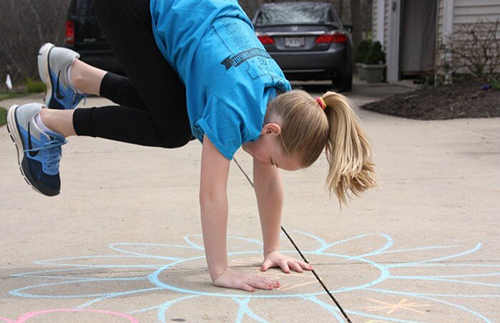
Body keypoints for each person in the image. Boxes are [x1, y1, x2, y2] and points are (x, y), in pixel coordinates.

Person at [6, 0, 376, 293]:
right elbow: (212, 193)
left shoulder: (278, 94)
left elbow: (266, 175)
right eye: (277, 162)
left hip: (182, 8)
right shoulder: (232, 106)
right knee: (171, 128)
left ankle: (73, 75)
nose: (269, 167)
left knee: (173, 113)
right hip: (130, 6)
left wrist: (272, 249)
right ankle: (44, 123)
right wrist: (220, 271)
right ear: (273, 130)